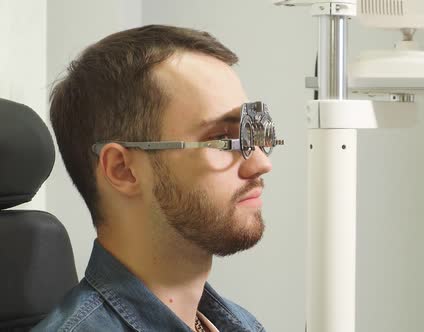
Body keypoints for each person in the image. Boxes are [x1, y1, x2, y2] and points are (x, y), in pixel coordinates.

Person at [33, 25, 272, 332]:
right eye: (222, 139)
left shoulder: (241, 324)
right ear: (123, 169)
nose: (261, 164)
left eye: (248, 135)